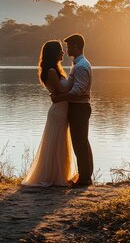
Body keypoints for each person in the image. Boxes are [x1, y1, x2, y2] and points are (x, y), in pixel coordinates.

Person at [21, 40, 78, 187]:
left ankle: (59, 175)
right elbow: (62, 91)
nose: (63, 52)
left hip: (61, 110)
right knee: (56, 143)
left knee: (60, 142)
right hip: (58, 112)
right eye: (59, 50)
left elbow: (60, 92)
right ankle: (53, 176)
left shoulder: (56, 70)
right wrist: (74, 78)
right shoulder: (52, 71)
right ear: (53, 53)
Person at [50, 33, 94, 187]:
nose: (67, 49)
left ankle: (84, 179)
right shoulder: (78, 64)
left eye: (69, 46)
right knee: (80, 141)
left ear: (76, 46)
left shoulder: (81, 66)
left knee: (80, 142)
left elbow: (77, 91)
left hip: (80, 107)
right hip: (78, 107)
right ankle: (85, 176)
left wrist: (59, 98)